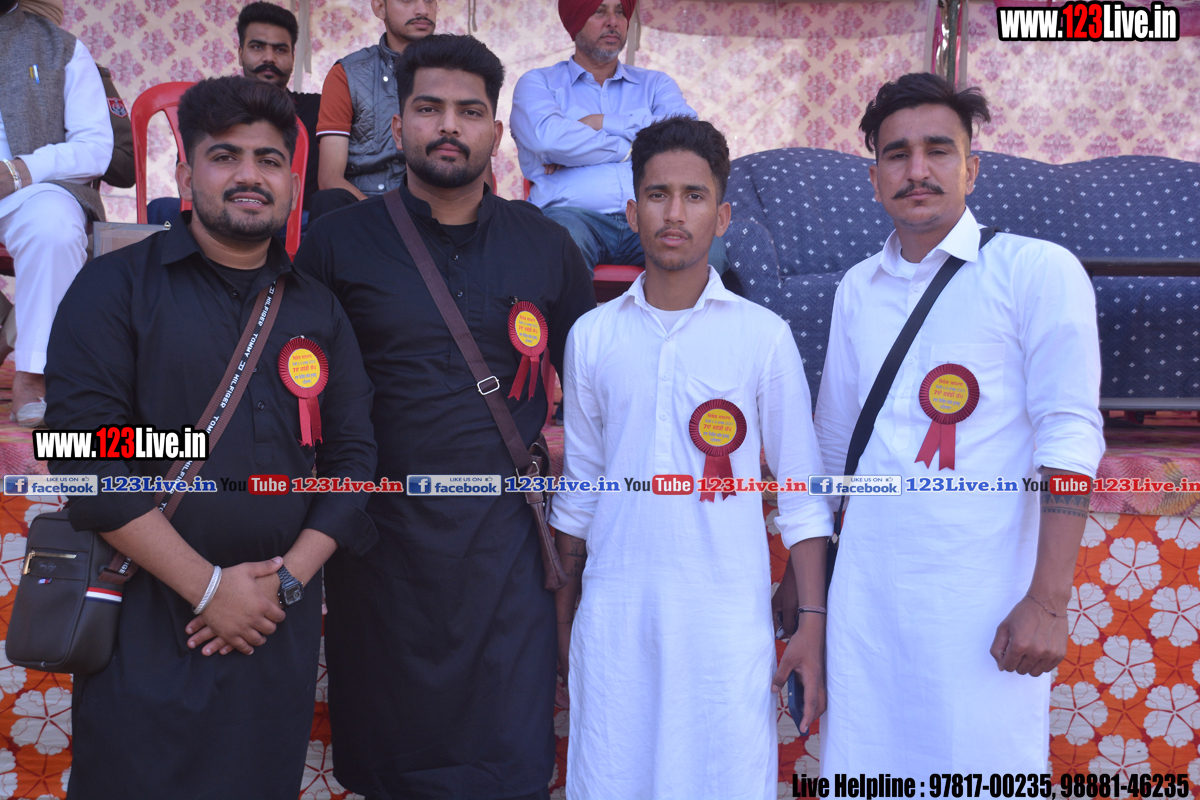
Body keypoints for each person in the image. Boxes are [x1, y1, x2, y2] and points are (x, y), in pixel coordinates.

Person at [45, 76, 378, 799]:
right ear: (184, 174)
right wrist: (209, 589)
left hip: (272, 628)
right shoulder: (114, 288)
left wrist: (283, 583)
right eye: (225, 156)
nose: (249, 175)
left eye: (268, 159)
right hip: (147, 618)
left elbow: (353, 463)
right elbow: (81, 455)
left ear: (293, 184)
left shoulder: (318, 310)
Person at [295, 34, 595, 800]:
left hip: (507, 554)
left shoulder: (548, 246)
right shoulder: (337, 244)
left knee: (506, 760)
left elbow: (595, 398)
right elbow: (292, 394)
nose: (449, 126)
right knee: (391, 762)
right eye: (429, 109)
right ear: (398, 127)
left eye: (469, 111)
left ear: (496, 130)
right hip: (380, 551)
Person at [813, 72, 1104, 772]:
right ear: (874, 178)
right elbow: (834, 444)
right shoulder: (856, 288)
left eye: (938, 150)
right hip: (869, 604)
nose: (917, 170)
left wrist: (1048, 601)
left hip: (986, 607)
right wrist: (811, 588)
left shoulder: (1036, 271)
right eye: (897, 154)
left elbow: (1070, 436)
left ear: (972, 168)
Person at [549, 115, 830, 799]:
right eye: (657, 194)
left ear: (722, 216)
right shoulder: (592, 336)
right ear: (632, 212)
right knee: (611, 777)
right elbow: (580, 489)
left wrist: (812, 626)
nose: (674, 214)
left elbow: (801, 496)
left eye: (695, 196)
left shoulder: (763, 337)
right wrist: (564, 619)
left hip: (724, 620)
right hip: (614, 617)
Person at [510, 0, 728, 276]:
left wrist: (600, 122)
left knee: (709, 251)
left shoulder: (655, 84)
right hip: (570, 216)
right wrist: (632, 149)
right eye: (600, 11)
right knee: (560, 242)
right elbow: (549, 141)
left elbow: (686, 134)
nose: (613, 22)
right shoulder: (538, 82)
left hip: (654, 216)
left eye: (621, 12)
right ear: (575, 21)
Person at [0, 0, 112, 427]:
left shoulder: (61, 48)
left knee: (55, 226)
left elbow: (96, 147)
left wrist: (20, 171)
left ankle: (34, 373)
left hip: (26, 191)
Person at [310, 0, 437, 222]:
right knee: (328, 200)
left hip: (431, 210)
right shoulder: (347, 74)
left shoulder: (457, 73)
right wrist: (386, 222)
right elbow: (330, 179)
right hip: (363, 212)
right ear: (380, 7)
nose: (423, 10)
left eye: (430, 0)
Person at [237, 1, 322, 211]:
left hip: (299, 222)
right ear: (240, 54)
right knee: (162, 209)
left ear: (292, 58)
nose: (269, 58)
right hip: (227, 218)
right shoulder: (213, 109)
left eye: (280, 50)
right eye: (257, 47)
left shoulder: (318, 111)